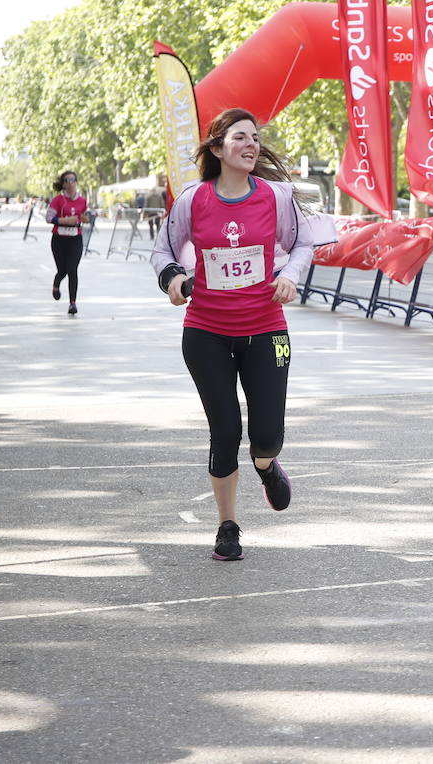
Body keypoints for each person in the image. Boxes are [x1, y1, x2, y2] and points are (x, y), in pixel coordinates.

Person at [150, 107, 317, 562]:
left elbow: (303, 243)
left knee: (266, 435)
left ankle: (266, 464)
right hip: (206, 332)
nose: (252, 145)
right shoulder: (193, 200)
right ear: (218, 146)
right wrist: (173, 280)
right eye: (241, 137)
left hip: (267, 329)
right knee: (225, 432)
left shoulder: (277, 198)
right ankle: (227, 526)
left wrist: (291, 276)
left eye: (256, 138)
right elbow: (163, 249)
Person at [45, 171, 91, 316]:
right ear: (63, 184)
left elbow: (87, 216)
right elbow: (48, 217)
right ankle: (56, 282)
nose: (71, 183)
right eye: (67, 180)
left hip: (75, 238)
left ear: (76, 182)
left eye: (73, 180)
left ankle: (73, 303)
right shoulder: (58, 200)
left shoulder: (82, 201)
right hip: (59, 239)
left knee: (72, 269)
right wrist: (63, 220)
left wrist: (86, 218)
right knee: (62, 270)